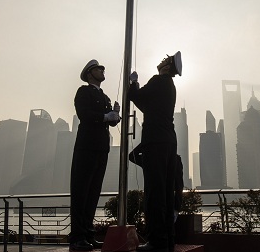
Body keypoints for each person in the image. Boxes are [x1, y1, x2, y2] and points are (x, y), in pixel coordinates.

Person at [128, 52, 181, 252]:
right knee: (166, 192)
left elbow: (137, 97)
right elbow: (146, 105)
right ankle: (167, 241)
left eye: (164, 60)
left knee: (155, 192)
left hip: (155, 141)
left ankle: (156, 241)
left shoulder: (158, 80)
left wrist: (134, 83)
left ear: (167, 67)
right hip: (168, 141)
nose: (161, 62)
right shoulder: (169, 85)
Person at [70, 60, 121, 251]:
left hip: (102, 147)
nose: (102, 70)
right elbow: (84, 114)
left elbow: (111, 121)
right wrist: (105, 116)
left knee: (93, 193)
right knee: (81, 192)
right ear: (90, 73)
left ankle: (88, 234)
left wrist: (114, 114)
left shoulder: (105, 96)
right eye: (99, 69)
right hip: (86, 146)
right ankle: (77, 237)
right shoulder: (84, 92)